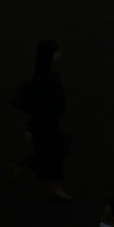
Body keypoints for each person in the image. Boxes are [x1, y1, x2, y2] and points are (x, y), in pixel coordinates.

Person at [12, 38, 69, 197]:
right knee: (54, 153)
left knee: (51, 152)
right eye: (56, 52)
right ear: (49, 55)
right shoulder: (45, 77)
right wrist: (31, 127)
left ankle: (22, 167)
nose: (59, 54)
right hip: (46, 123)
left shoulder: (49, 74)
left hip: (49, 121)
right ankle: (54, 187)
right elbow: (38, 105)